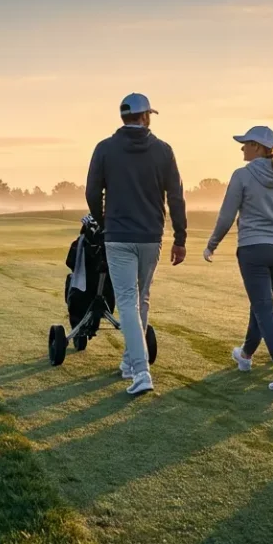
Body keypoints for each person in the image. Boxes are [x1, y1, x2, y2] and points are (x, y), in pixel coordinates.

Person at [86, 93, 188, 395]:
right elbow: (177, 197)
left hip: (118, 236)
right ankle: (132, 363)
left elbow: (93, 193)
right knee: (140, 298)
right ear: (144, 117)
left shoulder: (104, 149)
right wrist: (180, 238)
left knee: (129, 300)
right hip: (150, 237)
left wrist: (102, 221)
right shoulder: (163, 151)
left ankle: (139, 369)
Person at [204, 126, 273, 391]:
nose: (242, 148)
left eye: (246, 143)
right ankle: (246, 355)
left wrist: (212, 244)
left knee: (263, 308)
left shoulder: (242, 175)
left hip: (253, 249)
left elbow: (227, 216)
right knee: (262, 305)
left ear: (259, 148)